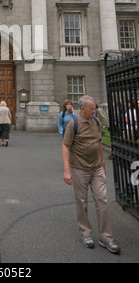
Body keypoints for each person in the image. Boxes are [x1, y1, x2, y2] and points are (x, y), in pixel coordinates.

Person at [62, 95, 121, 254]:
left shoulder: (95, 121)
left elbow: (99, 142)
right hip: (79, 168)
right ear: (82, 109)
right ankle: (85, 233)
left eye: (95, 108)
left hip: (96, 168)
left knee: (102, 200)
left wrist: (102, 163)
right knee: (81, 201)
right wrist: (67, 170)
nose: (95, 111)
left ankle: (106, 237)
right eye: (92, 109)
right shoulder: (73, 123)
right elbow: (66, 146)